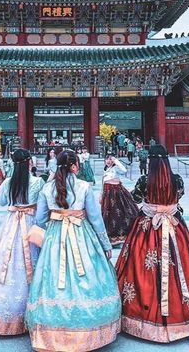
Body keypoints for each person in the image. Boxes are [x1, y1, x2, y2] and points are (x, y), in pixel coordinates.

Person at [25, 150, 121, 351]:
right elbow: (96, 219)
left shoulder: (47, 188)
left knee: (53, 278)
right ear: (75, 166)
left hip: (55, 236)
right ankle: (88, 330)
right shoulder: (84, 186)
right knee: (86, 274)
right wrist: (105, 244)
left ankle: (52, 331)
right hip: (81, 234)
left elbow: (40, 219)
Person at [116, 145, 189, 343]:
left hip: (148, 228)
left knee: (140, 270)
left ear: (150, 161)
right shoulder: (177, 180)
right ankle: (181, 316)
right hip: (175, 227)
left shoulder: (144, 181)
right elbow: (179, 196)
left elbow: (135, 198)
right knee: (181, 266)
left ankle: (142, 317)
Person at [0, 149, 45, 335]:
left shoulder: (8, 182)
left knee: (6, 262)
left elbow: (1, 202)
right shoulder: (38, 182)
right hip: (30, 223)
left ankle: (4, 312)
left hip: (11, 223)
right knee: (31, 260)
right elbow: (42, 208)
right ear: (30, 162)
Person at [101, 154, 138, 246]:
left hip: (116, 191)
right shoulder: (105, 168)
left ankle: (122, 234)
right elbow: (103, 180)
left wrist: (116, 161)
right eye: (107, 159)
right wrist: (101, 194)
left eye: (110, 159)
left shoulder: (115, 168)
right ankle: (111, 236)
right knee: (108, 212)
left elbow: (124, 170)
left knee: (119, 210)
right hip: (107, 191)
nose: (108, 161)